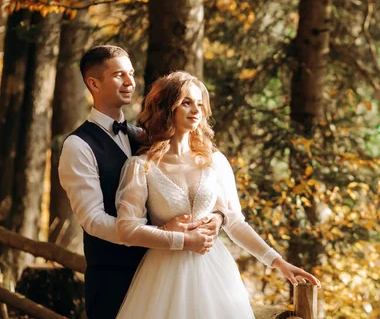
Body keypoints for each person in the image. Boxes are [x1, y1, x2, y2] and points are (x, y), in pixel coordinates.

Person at [114, 71, 320, 319]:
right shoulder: (142, 166)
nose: (196, 110)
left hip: (215, 273)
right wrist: (179, 239)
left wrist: (279, 263)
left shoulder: (214, 162)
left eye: (200, 103)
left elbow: (234, 222)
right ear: (166, 108)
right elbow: (126, 230)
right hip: (163, 277)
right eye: (186, 102)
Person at [58, 46, 222, 319]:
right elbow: (93, 219)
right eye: (119, 75)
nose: (130, 82)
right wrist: (160, 234)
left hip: (162, 272)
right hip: (113, 276)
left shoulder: (147, 138)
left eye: (131, 73)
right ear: (94, 83)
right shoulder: (78, 146)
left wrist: (214, 218)